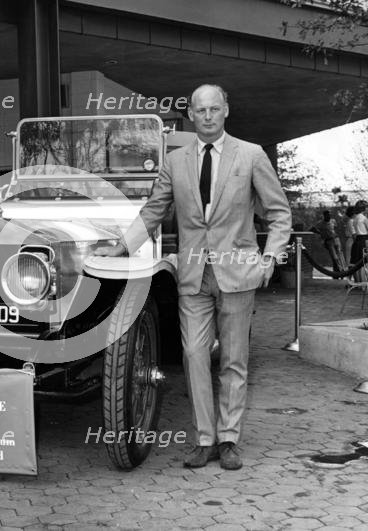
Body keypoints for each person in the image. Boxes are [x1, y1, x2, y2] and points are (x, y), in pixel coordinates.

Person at [95, 84, 291, 470]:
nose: (207, 116)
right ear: (191, 114)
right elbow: (153, 211)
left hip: (237, 274)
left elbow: (279, 212)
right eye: (200, 110)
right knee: (193, 355)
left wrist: (270, 259)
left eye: (214, 109)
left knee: (234, 360)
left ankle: (229, 439)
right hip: (193, 276)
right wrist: (119, 249)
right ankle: (205, 438)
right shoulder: (176, 160)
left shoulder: (251, 155)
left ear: (226, 111)